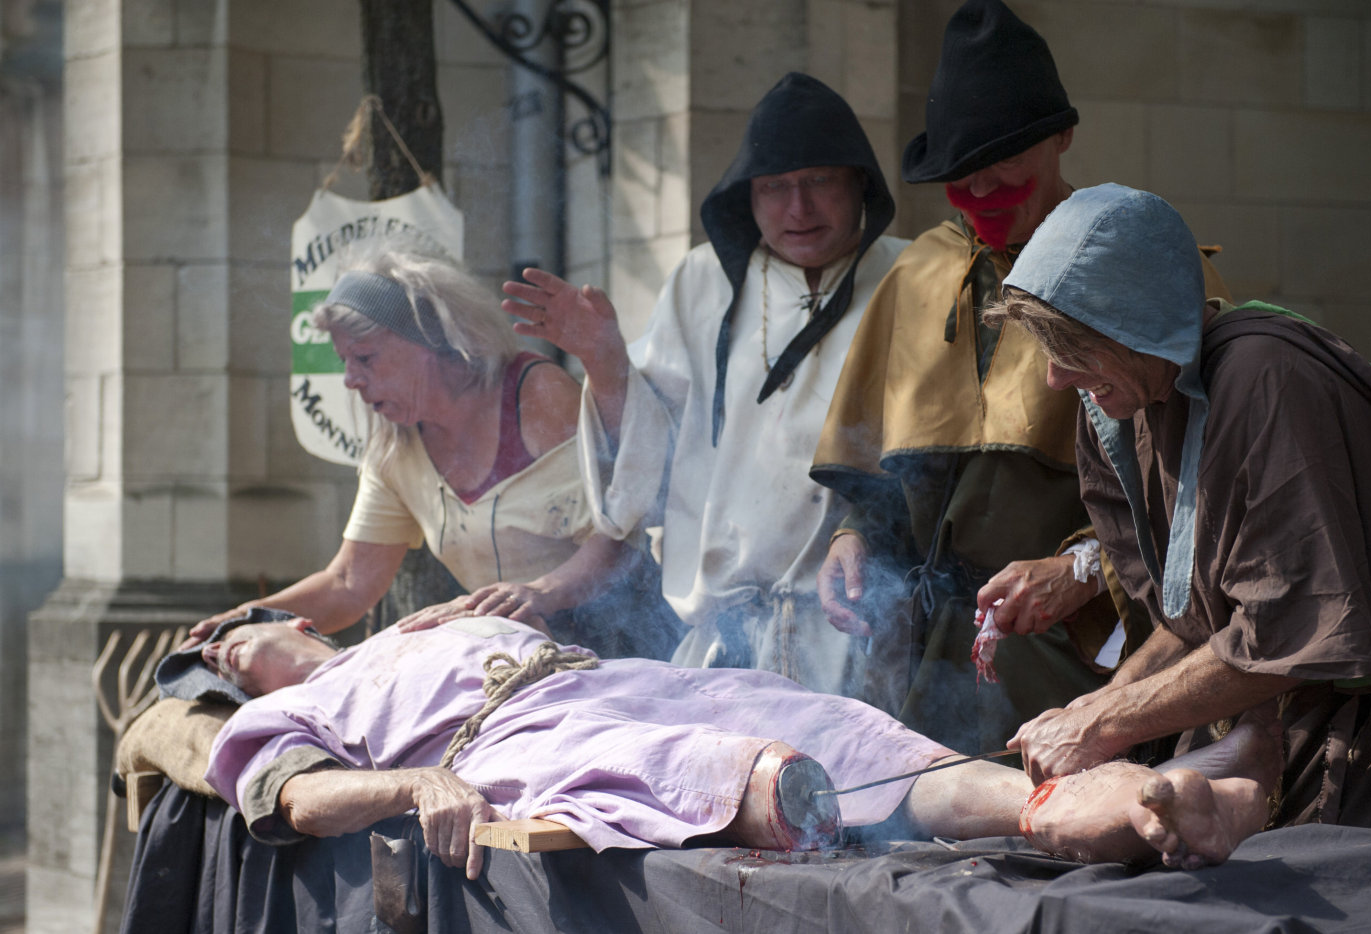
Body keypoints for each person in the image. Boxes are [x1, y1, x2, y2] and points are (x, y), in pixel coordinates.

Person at [810, 0, 1231, 742]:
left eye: (1005, 163)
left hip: (1074, 659)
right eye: (963, 175)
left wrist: (1079, 572)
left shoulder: (1137, 267)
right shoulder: (915, 273)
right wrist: (852, 538)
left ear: (1063, 136)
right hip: (913, 660)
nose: (984, 196)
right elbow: (875, 475)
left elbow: (1201, 496)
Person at [200, 614, 1282, 881]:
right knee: (749, 772)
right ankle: (1146, 808)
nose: (261, 648)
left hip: (611, 673)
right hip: (518, 739)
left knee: (848, 732)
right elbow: (288, 802)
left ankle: (1140, 794)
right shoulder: (294, 710)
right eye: (241, 651)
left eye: (262, 629)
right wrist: (412, 781)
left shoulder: (413, 621)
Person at [985, 182, 1371, 830]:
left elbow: (1282, 635)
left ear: (1139, 323)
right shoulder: (1116, 406)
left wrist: (1105, 721)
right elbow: (1193, 618)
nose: (1054, 378)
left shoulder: (1264, 380)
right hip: (1274, 725)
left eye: (1071, 346)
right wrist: (1099, 709)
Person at [501, 73, 908, 697]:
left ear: (861, 182)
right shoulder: (702, 282)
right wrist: (606, 361)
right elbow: (648, 480)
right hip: (726, 644)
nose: (797, 208)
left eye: (819, 181)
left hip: (858, 635)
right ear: (746, 197)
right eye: (774, 188)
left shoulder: (911, 276)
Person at [183, 247, 671, 658]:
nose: (351, 380)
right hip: (518, 660)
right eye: (345, 362)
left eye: (365, 357)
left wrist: (541, 594)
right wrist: (238, 621)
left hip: (630, 648)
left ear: (431, 340)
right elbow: (350, 582)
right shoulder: (395, 448)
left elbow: (620, 537)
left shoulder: (534, 394)